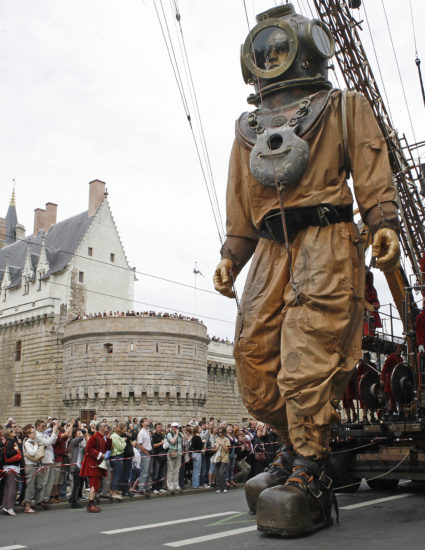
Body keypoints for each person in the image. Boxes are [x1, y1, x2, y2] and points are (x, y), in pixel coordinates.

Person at [213, 4, 400, 537]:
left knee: (306, 353)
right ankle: (295, 447)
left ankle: (311, 472)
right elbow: (241, 207)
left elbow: (369, 165)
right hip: (271, 249)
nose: (272, 56)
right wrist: (231, 256)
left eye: (279, 47)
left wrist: (382, 220)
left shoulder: (343, 107)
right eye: (265, 50)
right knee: (252, 359)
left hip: (326, 237)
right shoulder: (247, 128)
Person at [79, 422, 112, 513]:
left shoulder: (102, 437)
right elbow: (88, 449)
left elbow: (108, 448)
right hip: (92, 464)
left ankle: (91, 503)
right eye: (105, 426)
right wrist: (100, 455)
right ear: (101, 428)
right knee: (94, 484)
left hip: (99, 463)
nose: (106, 427)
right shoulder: (94, 437)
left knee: (96, 484)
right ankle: (90, 504)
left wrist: (108, 437)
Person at [35, 419, 58, 509]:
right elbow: (48, 442)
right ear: (37, 426)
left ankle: (46, 498)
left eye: (44, 425)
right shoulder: (37, 435)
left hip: (50, 459)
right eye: (42, 426)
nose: (44, 427)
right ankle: (40, 499)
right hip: (44, 460)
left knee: (50, 481)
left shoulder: (44, 434)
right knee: (44, 481)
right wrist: (54, 432)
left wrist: (54, 432)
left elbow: (53, 441)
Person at [22, 425, 43, 513]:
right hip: (30, 465)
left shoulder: (33, 442)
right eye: (32, 432)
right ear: (28, 434)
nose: (34, 433)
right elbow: (32, 453)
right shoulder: (27, 443)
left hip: (36, 465)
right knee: (30, 486)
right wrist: (35, 446)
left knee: (39, 485)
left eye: (34, 432)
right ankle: (27, 505)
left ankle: (32, 501)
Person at [1, 427, 22, 515]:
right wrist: (16, 450)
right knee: (12, 488)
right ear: (9, 434)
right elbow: (8, 454)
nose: (14, 432)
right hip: (11, 467)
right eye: (12, 431)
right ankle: (10, 507)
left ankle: (5, 505)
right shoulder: (10, 442)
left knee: (7, 488)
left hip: (8, 467)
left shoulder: (8, 442)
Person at [380, 345, 403, 415]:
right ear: (395, 349)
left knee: (399, 395)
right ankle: (391, 411)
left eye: (401, 349)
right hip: (390, 380)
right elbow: (384, 369)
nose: (400, 350)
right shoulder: (390, 358)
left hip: (398, 380)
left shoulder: (401, 359)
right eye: (399, 348)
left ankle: (400, 411)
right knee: (391, 396)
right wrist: (382, 379)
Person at [110, 423, 126, 500]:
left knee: (118, 474)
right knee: (116, 474)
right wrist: (124, 441)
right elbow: (120, 447)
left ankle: (114, 490)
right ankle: (114, 492)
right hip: (116, 456)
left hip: (118, 456)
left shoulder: (117, 436)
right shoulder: (114, 436)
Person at [137, 418, 152, 495]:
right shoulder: (141, 433)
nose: (147, 421)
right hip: (144, 453)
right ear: (142, 423)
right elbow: (139, 445)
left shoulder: (147, 431)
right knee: (144, 472)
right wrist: (146, 452)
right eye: (145, 421)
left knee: (148, 472)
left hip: (148, 452)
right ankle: (141, 488)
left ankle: (146, 487)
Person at [213, 427, 230, 493]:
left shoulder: (226, 439)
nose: (220, 433)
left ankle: (224, 487)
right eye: (219, 432)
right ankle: (219, 487)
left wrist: (222, 444)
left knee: (221, 473)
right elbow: (216, 449)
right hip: (218, 457)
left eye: (221, 432)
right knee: (217, 473)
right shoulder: (217, 439)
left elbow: (226, 450)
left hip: (224, 457)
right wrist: (213, 449)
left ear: (224, 432)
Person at [166, 422, 182, 492]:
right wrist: (176, 434)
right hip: (172, 452)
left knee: (177, 470)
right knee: (171, 469)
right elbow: (173, 441)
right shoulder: (169, 434)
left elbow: (186, 439)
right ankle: (170, 485)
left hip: (179, 453)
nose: (176, 428)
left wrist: (182, 431)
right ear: (172, 427)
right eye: (175, 427)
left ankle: (176, 484)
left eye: (177, 427)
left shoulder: (180, 434)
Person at [151, 423, 167, 494]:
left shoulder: (162, 436)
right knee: (156, 473)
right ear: (155, 428)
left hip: (163, 455)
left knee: (161, 473)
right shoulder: (154, 436)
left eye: (161, 427)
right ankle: (154, 488)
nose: (160, 428)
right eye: (159, 427)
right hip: (157, 456)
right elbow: (153, 445)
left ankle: (160, 487)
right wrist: (161, 443)